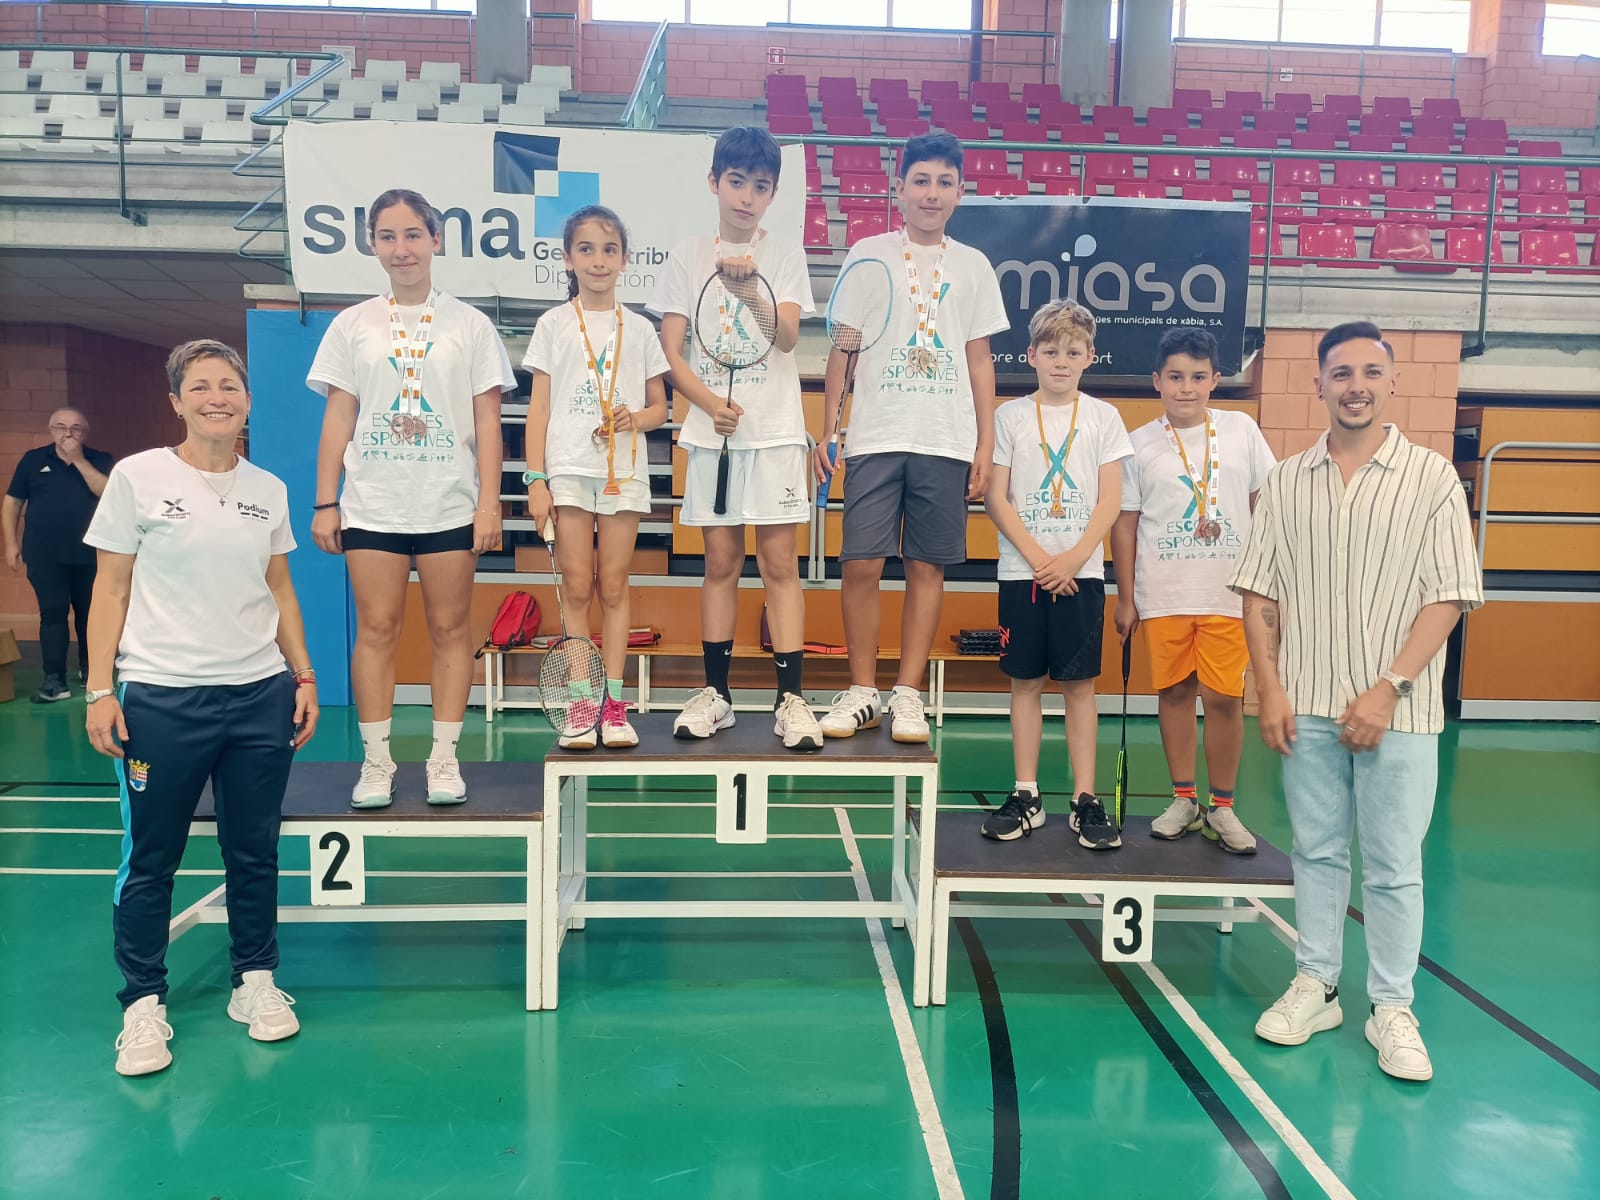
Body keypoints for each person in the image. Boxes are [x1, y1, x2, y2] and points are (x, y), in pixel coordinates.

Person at [1231, 321, 1483, 1083]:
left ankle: (1392, 1008)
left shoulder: (1432, 477)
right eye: (1341, 373)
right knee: (1314, 851)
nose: (1356, 386)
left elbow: (1448, 597)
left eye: (1370, 371)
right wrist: (1269, 687)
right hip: (1303, 702)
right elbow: (1257, 592)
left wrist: (1388, 686)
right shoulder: (1286, 480)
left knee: (1393, 864)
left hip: (1399, 712)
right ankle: (1318, 984)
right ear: (1319, 385)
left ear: (1393, 381)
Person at [82, 339, 320, 1077]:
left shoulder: (269, 489)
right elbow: (110, 591)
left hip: (259, 697)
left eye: (231, 385)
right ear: (176, 400)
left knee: (254, 851)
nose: (219, 396)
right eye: (202, 386)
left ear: (247, 399)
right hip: (161, 699)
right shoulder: (137, 478)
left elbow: (279, 590)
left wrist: (303, 675)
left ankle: (255, 981)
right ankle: (142, 1004)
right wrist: (99, 689)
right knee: (152, 859)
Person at [307, 188, 516, 808]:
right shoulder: (352, 324)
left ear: (437, 240)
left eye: (413, 235)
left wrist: (489, 501)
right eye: (388, 237)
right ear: (373, 244)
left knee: (451, 629)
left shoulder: (471, 324)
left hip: (449, 502)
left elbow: (487, 423)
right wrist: (326, 500)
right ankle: (377, 762)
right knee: (377, 628)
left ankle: (444, 760)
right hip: (373, 504)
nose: (402, 249)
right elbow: (339, 417)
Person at [813, 131, 1008, 743]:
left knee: (928, 569)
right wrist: (828, 430)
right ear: (898, 190)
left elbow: (979, 361)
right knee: (861, 565)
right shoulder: (867, 254)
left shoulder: (974, 265)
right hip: (875, 434)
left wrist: (984, 444)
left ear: (960, 192)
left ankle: (907, 695)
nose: (932, 193)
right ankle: (863, 690)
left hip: (945, 439)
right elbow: (842, 350)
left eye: (944, 183)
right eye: (920, 181)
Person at [651, 126, 823, 752]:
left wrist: (749, 288)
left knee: (781, 565)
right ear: (714, 182)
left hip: (775, 432)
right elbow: (672, 351)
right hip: (712, 433)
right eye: (736, 183)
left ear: (773, 193)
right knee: (720, 563)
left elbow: (784, 340)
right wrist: (708, 404)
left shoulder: (784, 255)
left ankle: (790, 700)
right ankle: (717, 694)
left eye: (760, 186)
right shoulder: (686, 254)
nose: (746, 197)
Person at [1110, 327, 1276, 855]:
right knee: (1176, 694)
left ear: (1216, 380)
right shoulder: (1137, 444)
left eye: (1198, 377)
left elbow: (1265, 507)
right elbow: (1127, 526)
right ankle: (1184, 798)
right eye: (1176, 377)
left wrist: (1268, 584)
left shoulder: (1243, 430)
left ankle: (1223, 807)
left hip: (1228, 593)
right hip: (1164, 592)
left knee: (1224, 698)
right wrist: (1126, 597)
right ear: (1157, 381)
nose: (1187, 388)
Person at [980, 302, 1132, 848]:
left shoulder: (1103, 417)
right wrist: (1042, 561)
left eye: (1072, 352)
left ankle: (1084, 799)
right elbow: (996, 497)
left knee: (1078, 686)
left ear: (1090, 357)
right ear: (1031, 356)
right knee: (1024, 683)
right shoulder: (1010, 417)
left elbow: (1111, 498)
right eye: (1050, 351)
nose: (1061, 362)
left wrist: (1072, 559)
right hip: (1023, 572)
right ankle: (1027, 793)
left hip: (1082, 574)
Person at [524, 204, 670, 750]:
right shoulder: (553, 325)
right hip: (567, 469)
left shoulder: (642, 329)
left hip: (623, 471)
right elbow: (537, 409)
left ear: (625, 259)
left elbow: (661, 408)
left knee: (614, 584)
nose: (598, 260)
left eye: (609, 249)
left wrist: (638, 417)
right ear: (567, 258)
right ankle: (581, 699)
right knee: (577, 585)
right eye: (586, 249)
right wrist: (535, 479)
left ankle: (613, 703)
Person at [3, 409, 113, 702]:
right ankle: (54, 680)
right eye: (61, 427)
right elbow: (12, 502)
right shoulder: (32, 460)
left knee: (91, 614)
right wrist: (11, 544)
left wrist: (78, 460)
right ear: (51, 430)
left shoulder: (100, 459)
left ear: (85, 433)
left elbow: (107, 492)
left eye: (76, 428)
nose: (68, 434)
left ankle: (92, 672)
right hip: (44, 555)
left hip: (91, 554)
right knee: (52, 614)